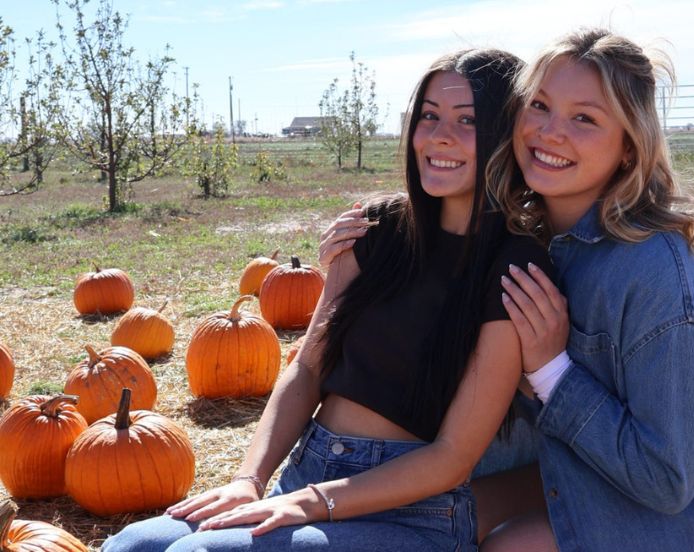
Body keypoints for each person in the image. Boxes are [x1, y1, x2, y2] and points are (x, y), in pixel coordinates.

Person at [102, 48, 553, 552]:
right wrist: (249, 481)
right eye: (429, 115)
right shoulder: (375, 228)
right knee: (131, 545)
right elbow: (308, 369)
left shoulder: (514, 265)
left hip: (409, 511)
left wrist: (311, 502)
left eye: (467, 120)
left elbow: (452, 456)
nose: (439, 135)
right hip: (309, 470)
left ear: (505, 134)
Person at [474, 29, 694, 551]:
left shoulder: (657, 275)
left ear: (629, 149)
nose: (550, 131)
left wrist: (549, 370)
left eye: (584, 118)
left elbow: (667, 478)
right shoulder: (545, 239)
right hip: (603, 467)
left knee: (508, 546)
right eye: (539, 105)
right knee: (451, 516)